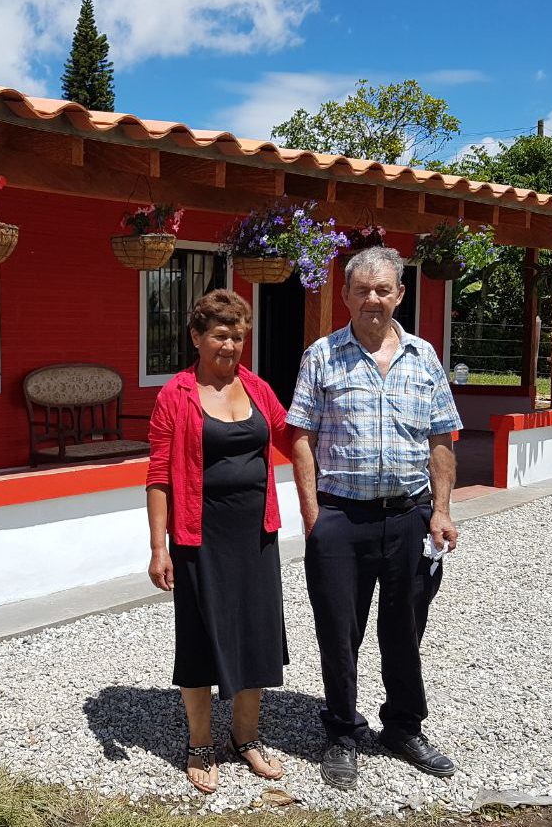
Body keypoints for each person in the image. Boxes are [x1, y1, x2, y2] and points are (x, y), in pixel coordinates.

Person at [286, 245, 463, 789]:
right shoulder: (321, 355)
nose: (372, 299)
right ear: (344, 295)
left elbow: (441, 438)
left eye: (383, 289)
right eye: (361, 289)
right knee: (339, 631)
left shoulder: (424, 357)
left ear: (399, 294)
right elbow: (301, 436)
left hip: (410, 517)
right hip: (341, 516)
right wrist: (313, 515)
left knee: (405, 629)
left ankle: (403, 728)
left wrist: (441, 510)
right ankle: (342, 732)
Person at [146, 288, 291, 794]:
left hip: (256, 534)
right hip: (198, 534)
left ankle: (245, 737)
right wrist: (159, 547)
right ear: (196, 336)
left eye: (238, 337)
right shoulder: (176, 394)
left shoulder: (257, 388)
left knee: (256, 632)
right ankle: (200, 743)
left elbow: (292, 435)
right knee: (200, 637)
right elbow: (158, 475)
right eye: (220, 335)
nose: (230, 346)